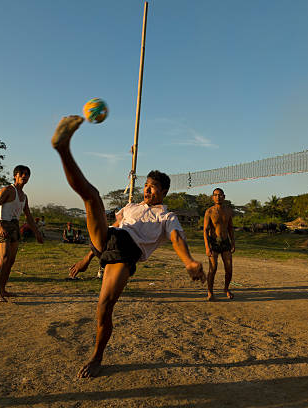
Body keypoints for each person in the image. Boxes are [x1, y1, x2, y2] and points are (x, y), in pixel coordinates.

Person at [52, 115, 205, 378]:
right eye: (146, 186)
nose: (147, 191)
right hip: (110, 239)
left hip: (127, 251)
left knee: (104, 307)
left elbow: (177, 239)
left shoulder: (166, 216)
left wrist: (189, 262)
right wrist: (88, 257)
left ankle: (97, 357)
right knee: (92, 196)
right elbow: (112, 231)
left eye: (153, 188)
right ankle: (63, 148)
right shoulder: (130, 206)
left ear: (163, 193)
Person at [0, 165, 43, 302]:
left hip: (15, 227)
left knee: (11, 260)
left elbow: (28, 216)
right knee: (5, 258)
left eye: (27, 174)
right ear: (15, 175)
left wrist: (37, 233)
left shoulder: (24, 197)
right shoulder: (7, 190)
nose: (24, 176)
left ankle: (3, 290)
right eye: (22, 174)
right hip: (3, 225)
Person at [203, 188, 235, 301]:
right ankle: (210, 292)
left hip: (226, 242)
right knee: (213, 268)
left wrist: (233, 243)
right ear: (213, 197)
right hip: (213, 242)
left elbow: (231, 228)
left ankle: (226, 289)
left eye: (220, 195)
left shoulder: (228, 211)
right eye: (216, 195)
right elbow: (205, 230)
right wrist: (207, 247)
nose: (218, 197)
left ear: (224, 197)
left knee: (229, 268)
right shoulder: (209, 211)